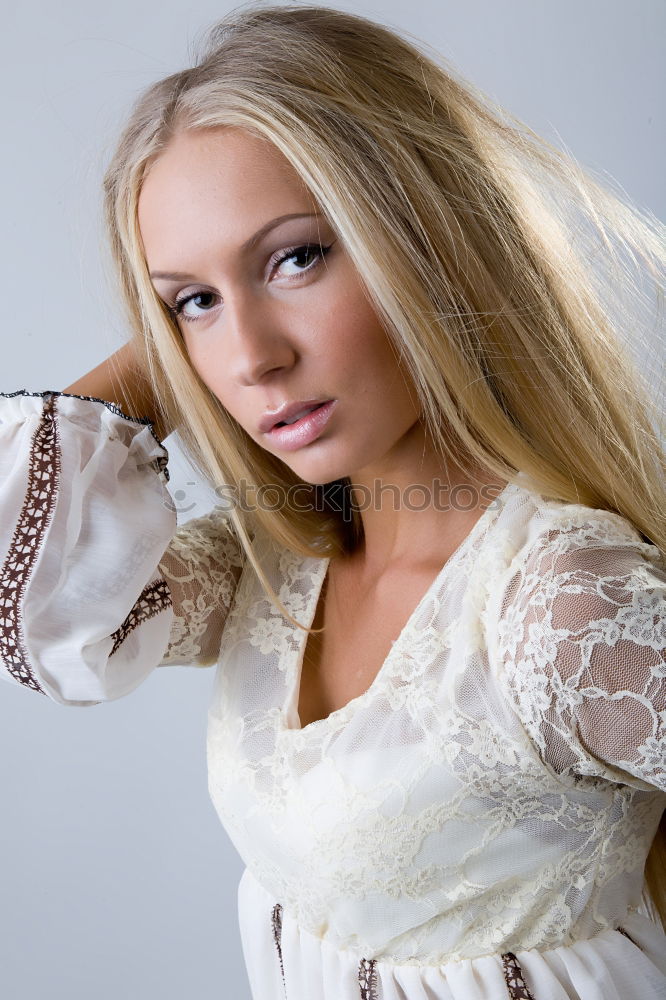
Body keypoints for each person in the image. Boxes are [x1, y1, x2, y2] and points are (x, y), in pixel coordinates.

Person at [1, 5, 664, 998]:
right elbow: (31, 604)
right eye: (196, 304)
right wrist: (172, 331)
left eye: (298, 256)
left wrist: (202, 292)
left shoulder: (559, 608)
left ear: (431, 240)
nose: (253, 358)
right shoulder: (269, 565)